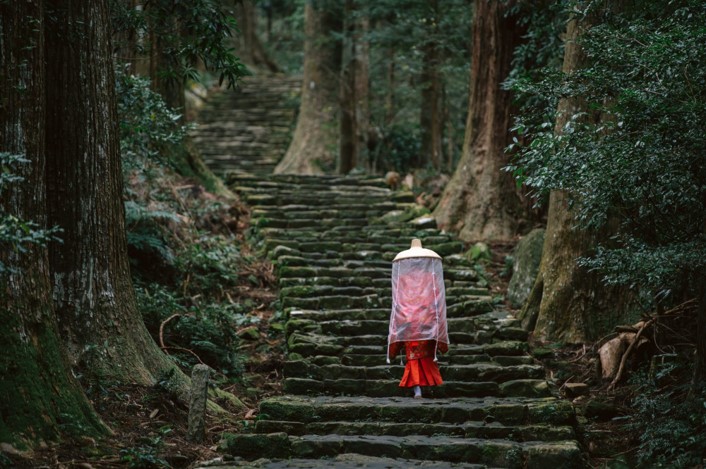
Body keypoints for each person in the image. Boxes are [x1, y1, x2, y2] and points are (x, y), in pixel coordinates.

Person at [387, 239, 449, 398]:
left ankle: (419, 388)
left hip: (409, 317)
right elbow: (435, 296)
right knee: (424, 355)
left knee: (414, 355)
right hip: (425, 317)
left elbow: (400, 298)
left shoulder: (404, 276)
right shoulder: (430, 275)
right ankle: (423, 386)